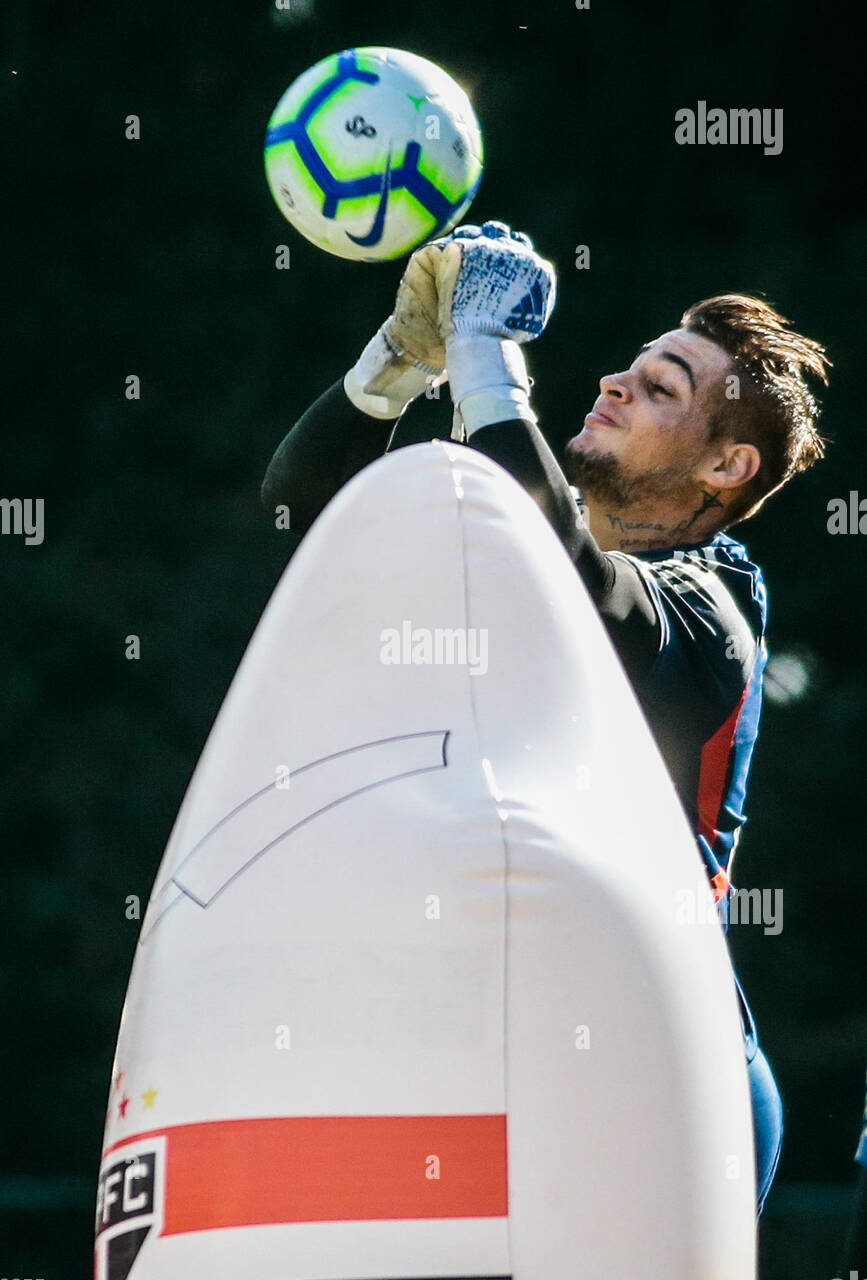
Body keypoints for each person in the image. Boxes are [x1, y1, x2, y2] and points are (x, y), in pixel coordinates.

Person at [261, 220, 830, 1217]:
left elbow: (566, 583)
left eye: (662, 390)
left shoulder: (710, 603)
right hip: (495, 1048)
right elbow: (303, 508)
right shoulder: (505, 539)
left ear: (725, 469)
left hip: (659, 1062)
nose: (615, 382)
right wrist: (396, 361)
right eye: (632, 367)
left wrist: (487, 351)